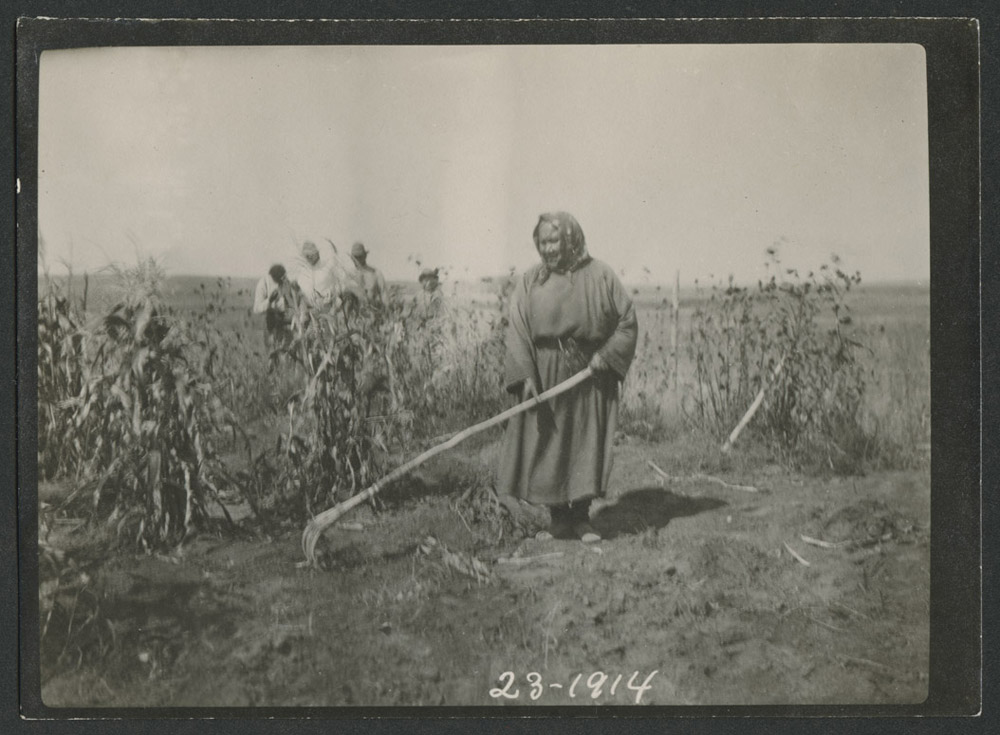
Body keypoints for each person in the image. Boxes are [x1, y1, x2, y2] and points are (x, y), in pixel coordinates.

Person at [497, 212, 638, 543]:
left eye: (554, 240)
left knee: (584, 441)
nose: (548, 248)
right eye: (543, 242)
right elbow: (517, 329)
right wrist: (527, 375)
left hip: (589, 373)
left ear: (571, 239)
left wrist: (607, 354)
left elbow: (627, 320)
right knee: (549, 444)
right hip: (545, 374)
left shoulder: (600, 275)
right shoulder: (531, 281)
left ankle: (582, 518)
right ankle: (558, 518)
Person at [252, 263, 296, 350]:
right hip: (272, 320)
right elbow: (257, 309)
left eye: (284, 277)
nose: (283, 280)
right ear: (273, 277)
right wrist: (269, 300)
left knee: (288, 350)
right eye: (281, 279)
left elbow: (292, 302)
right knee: (272, 350)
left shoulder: (285, 282)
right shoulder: (263, 283)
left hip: (286, 319)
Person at [294, 240, 340, 308]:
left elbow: (339, 284)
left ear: (317, 253)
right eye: (307, 256)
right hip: (311, 310)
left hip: (331, 306)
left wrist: (333, 292)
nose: (309, 257)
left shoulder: (329, 265)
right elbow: (302, 292)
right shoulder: (302, 274)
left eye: (311, 254)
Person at [349, 241, 387, 306]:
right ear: (352, 258)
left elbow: (384, 294)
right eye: (355, 257)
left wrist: (387, 309)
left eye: (360, 256)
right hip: (353, 313)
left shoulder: (376, 273)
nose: (357, 260)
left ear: (365, 256)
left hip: (372, 311)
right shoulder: (348, 274)